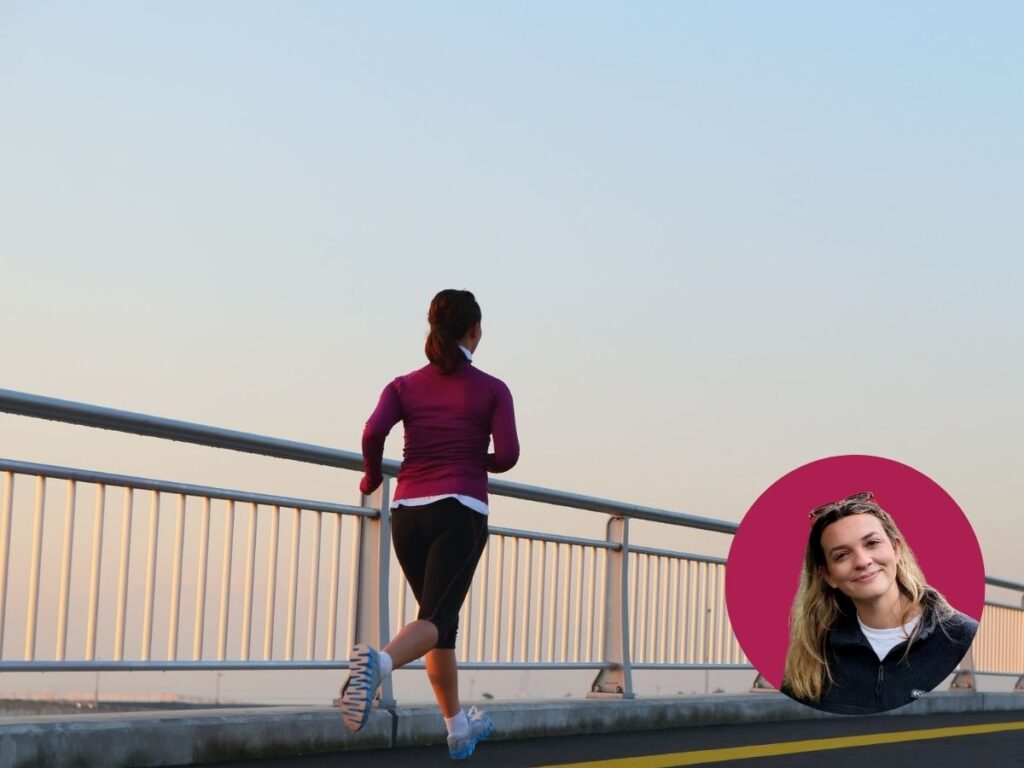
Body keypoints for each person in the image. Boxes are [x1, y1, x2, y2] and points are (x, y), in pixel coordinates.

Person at [340, 289, 519, 759]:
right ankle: (378, 664)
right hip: (459, 510)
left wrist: (373, 475)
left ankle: (457, 727)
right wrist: (470, 458)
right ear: (475, 331)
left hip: (407, 514)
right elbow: (508, 455)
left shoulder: (403, 385)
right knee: (436, 619)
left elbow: (373, 432)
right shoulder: (492, 388)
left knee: (439, 622)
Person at [782, 492, 978, 715]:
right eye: (841, 555)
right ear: (828, 575)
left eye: (872, 543)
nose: (863, 561)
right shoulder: (814, 654)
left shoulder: (961, 635)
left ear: (896, 549)